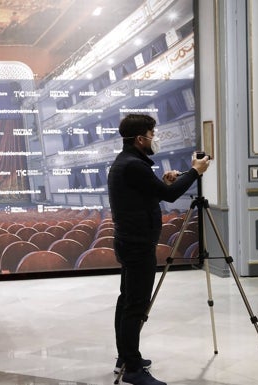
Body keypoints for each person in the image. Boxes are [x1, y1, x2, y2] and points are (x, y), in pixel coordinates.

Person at [108, 114, 210, 385]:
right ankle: (132, 369)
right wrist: (195, 171)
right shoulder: (134, 165)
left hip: (130, 241)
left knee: (127, 299)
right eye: (153, 134)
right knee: (136, 305)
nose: (156, 138)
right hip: (138, 244)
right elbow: (170, 195)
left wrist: (163, 182)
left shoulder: (127, 162)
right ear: (140, 139)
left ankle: (126, 356)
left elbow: (146, 194)